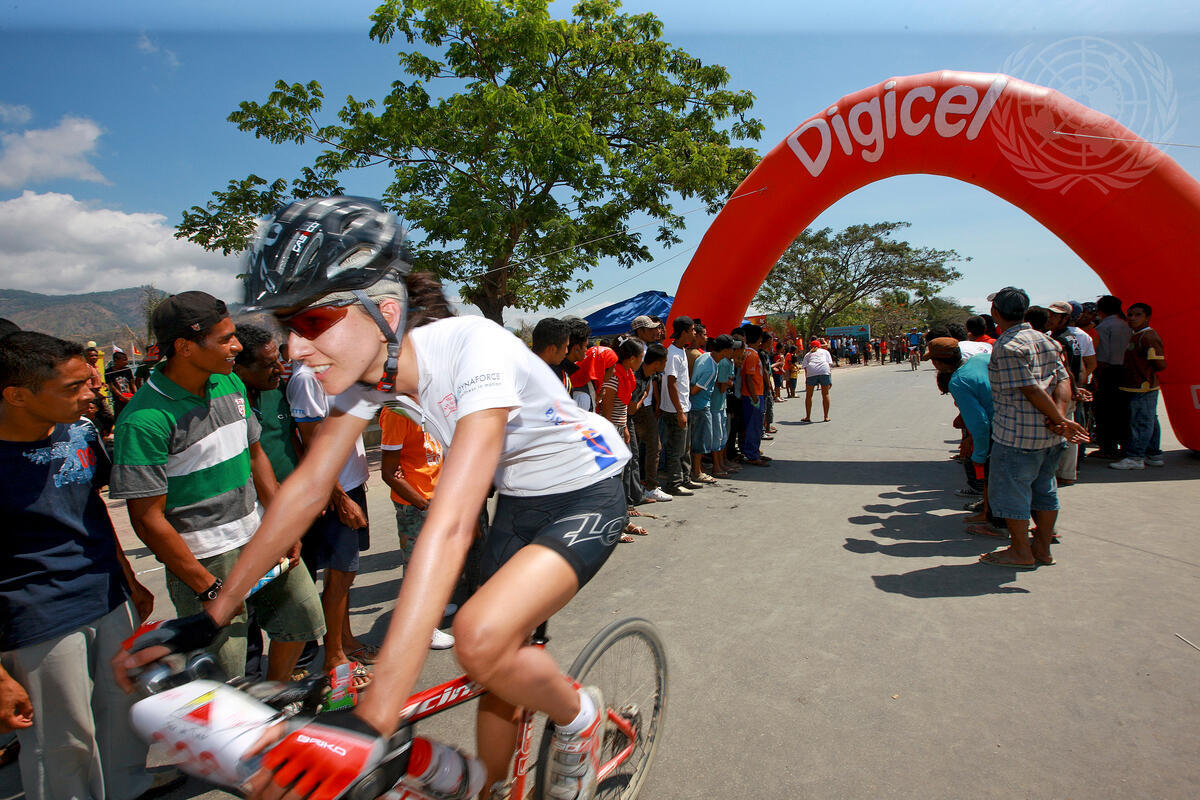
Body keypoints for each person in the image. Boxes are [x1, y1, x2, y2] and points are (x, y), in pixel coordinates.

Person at [115, 198, 632, 800]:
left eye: (311, 323)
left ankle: (578, 716)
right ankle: (489, 786)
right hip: (520, 500)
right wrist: (214, 613)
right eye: (286, 327)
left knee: (479, 637)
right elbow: (306, 490)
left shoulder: (474, 345)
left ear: (386, 312)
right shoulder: (369, 376)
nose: (294, 349)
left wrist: (377, 714)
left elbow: (451, 525)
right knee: (497, 672)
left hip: (584, 490)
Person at [0, 331, 183, 800]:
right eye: (73, 387)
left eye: (89, 381)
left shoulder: (80, 431)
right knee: (64, 741)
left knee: (123, 708)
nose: (92, 394)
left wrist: (127, 578)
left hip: (106, 595)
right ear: (17, 395)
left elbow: (90, 508)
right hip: (39, 618)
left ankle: (128, 787)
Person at [111, 291, 325, 681]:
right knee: (224, 666)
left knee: (303, 620)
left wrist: (282, 525)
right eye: (225, 339)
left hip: (260, 537)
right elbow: (147, 519)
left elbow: (256, 457)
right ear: (184, 347)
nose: (237, 347)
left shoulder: (230, 384)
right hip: (207, 559)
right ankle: (236, 716)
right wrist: (207, 587)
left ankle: (272, 698)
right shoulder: (142, 421)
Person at [979, 287, 1088, 569]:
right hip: (1050, 436)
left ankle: (1020, 551)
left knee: (1013, 493)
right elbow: (1063, 380)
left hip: (1017, 435)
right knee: (1045, 490)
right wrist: (1059, 418)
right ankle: (1042, 548)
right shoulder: (1046, 340)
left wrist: (1059, 420)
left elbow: (1030, 389)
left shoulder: (1008, 345)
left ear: (994, 312)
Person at [288, 356, 378, 680]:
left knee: (346, 575)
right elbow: (312, 444)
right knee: (339, 575)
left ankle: (346, 640)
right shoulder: (306, 379)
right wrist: (339, 497)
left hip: (351, 484)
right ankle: (334, 657)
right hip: (336, 492)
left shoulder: (335, 369)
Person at [379, 405, 456, 647]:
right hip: (416, 505)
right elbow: (388, 472)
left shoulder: (427, 403)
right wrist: (424, 505)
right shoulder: (396, 413)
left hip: (434, 499)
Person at [1111, 302, 1167, 470]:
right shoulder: (1136, 335)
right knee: (1149, 420)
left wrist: (1145, 374)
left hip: (1143, 387)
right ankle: (1153, 454)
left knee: (1141, 422)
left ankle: (1135, 457)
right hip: (1135, 386)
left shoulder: (1148, 337)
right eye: (1130, 315)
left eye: (1138, 315)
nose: (1133, 318)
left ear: (1147, 317)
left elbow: (1160, 364)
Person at [1092, 295, 1132, 459]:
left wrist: (1097, 377)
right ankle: (1125, 446)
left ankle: (1107, 448)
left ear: (1100, 310)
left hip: (1109, 372)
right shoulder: (1127, 325)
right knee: (1123, 412)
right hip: (1126, 371)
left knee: (1105, 413)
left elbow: (1102, 356)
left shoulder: (1103, 327)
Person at [659, 316, 696, 494]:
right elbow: (671, 383)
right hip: (675, 409)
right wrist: (680, 411)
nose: (694, 333)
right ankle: (674, 483)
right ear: (684, 332)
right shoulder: (673, 354)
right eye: (692, 330)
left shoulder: (681, 350)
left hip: (683, 406)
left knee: (685, 447)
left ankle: (685, 478)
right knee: (677, 448)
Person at [632, 343, 670, 502]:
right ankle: (650, 487)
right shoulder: (636, 377)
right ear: (656, 363)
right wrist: (643, 397)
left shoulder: (650, 374)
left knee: (650, 447)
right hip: (636, 412)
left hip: (644, 409)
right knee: (653, 447)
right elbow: (631, 408)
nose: (666, 364)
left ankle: (644, 485)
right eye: (665, 361)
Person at [687, 334, 718, 485]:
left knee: (694, 441)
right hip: (700, 406)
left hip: (694, 405)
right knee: (699, 441)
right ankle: (696, 472)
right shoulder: (710, 368)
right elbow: (694, 390)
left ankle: (695, 470)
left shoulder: (704, 356)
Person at [706, 335, 736, 478]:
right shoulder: (724, 363)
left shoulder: (724, 361)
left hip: (719, 404)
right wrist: (729, 382)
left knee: (721, 436)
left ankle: (721, 463)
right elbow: (723, 386)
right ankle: (717, 466)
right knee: (717, 437)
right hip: (716, 404)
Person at [739, 326, 768, 466]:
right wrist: (754, 396)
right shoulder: (752, 355)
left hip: (753, 394)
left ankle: (753, 451)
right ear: (759, 339)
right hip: (753, 395)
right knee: (754, 426)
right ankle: (752, 455)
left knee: (753, 426)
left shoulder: (748, 353)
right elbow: (749, 378)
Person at [801, 339, 833, 423]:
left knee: (809, 395)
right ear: (820, 346)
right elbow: (829, 366)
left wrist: (807, 379)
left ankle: (808, 417)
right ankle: (826, 417)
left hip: (811, 371)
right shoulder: (825, 352)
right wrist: (830, 379)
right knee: (825, 394)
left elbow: (805, 369)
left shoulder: (807, 354)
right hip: (824, 371)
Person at [105, 348, 137, 418]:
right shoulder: (109, 371)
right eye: (124, 360)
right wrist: (122, 397)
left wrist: (136, 395)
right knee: (120, 416)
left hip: (130, 396)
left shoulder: (127, 370)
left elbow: (132, 383)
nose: (126, 362)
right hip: (119, 399)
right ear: (116, 360)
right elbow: (112, 386)